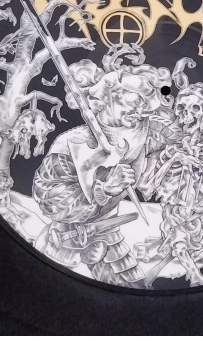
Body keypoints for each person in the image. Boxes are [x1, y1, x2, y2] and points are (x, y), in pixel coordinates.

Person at [32, 51, 176, 287]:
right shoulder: (70, 143)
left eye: (143, 105)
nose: (139, 110)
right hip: (64, 239)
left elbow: (181, 136)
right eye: (134, 102)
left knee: (135, 292)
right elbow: (49, 199)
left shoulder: (140, 137)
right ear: (110, 97)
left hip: (109, 233)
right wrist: (104, 190)